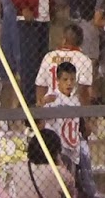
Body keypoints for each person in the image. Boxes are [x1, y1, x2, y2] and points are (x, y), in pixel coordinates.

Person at [42, 61, 100, 198]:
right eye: (65, 80)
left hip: (73, 148)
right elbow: (43, 120)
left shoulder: (75, 100)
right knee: (62, 182)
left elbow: (78, 123)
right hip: (60, 149)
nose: (69, 83)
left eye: (72, 80)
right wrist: (43, 104)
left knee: (73, 181)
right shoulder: (53, 99)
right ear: (57, 80)